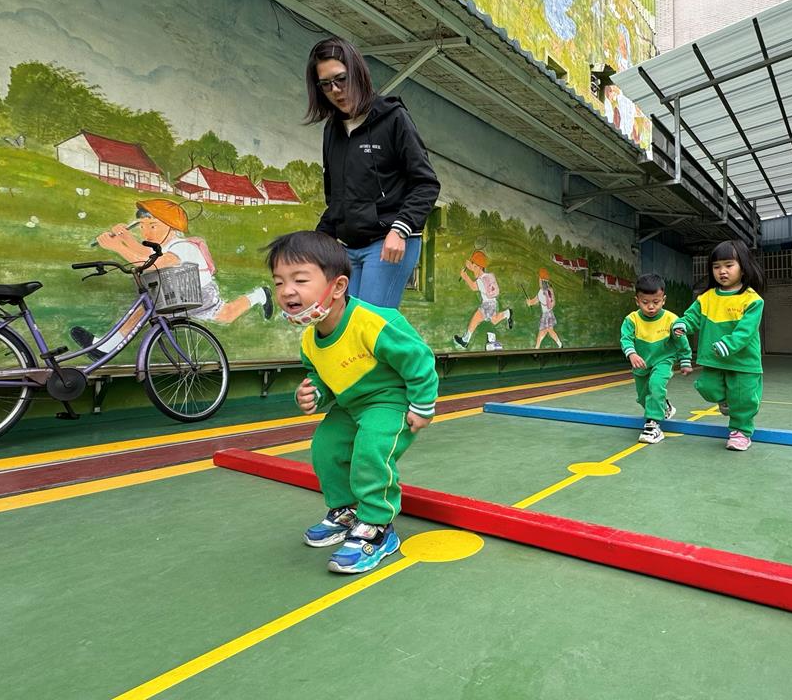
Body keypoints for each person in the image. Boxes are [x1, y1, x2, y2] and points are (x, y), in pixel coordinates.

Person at [268, 230, 438, 574]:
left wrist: (423, 405)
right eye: (279, 282)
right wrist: (314, 392)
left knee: (370, 451)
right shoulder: (309, 339)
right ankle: (345, 511)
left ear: (339, 286)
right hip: (350, 405)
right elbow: (321, 375)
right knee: (326, 447)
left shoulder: (372, 322)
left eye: (300, 279)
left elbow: (418, 358)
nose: (286, 291)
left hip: (390, 400)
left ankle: (377, 526)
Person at [306, 36, 441, 308]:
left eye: (341, 79)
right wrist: (315, 242)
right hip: (348, 246)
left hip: (388, 242)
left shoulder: (394, 118)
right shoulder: (332, 131)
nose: (335, 90)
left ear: (357, 72)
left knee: (368, 322)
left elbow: (426, 184)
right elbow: (336, 200)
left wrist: (400, 230)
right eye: (325, 84)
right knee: (341, 321)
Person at [72, 198, 272, 358]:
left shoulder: (183, 247)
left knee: (225, 314)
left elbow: (150, 264)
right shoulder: (165, 246)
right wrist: (126, 238)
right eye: (141, 226)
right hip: (176, 291)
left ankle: (105, 347)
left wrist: (117, 247)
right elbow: (145, 253)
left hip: (199, 293)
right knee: (225, 314)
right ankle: (260, 295)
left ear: (170, 226)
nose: (146, 232)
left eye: (152, 226)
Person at [673, 240, 765, 451]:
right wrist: (682, 325)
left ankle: (741, 432)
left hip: (743, 362)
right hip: (714, 359)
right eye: (716, 267)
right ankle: (725, 401)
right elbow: (692, 317)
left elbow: (746, 331)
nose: (722, 271)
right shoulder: (706, 298)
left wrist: (729, 344)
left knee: (743, 399)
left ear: (743, 268)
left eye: (729, 265)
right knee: (707, 387)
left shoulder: (752, 300)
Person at [620, 273, 692, 444]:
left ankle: (652, 426)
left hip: (663, 360)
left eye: (656, 302)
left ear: (663, 300)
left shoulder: (672, 320)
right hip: (641, 364)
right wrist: (632, 354)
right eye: (645, 302)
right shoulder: (631, 320)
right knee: (643, 397)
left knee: (656, 385)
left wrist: (685, 360)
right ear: (637, 301)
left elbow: (681, 341)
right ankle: (665, 407)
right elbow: (626, 339)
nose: (651, 307)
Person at [453, 249, 513, 348]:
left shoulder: (481, 280)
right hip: (492, 303)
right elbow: (476, 269)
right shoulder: (487, 277)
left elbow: (473, 287)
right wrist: (470, 266)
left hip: (487, 305)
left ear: (480, 267)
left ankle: (465, 340)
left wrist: (465, 276)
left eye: (475, 267)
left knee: (475, 319)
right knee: (494, 320)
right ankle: (507, 313)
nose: (473, 270)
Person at [525, 267, 562, 349]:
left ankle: (560, 345)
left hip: (546, 315)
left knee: (549, 330)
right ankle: (537, 348)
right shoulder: (548, 290)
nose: (539, 282)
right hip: (549, 313)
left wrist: (529, 302)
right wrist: (530, 302)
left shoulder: (542, 292)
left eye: (539, 280)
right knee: (542, 332)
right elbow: (552, 303)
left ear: (542, 281)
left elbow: (535, 301)